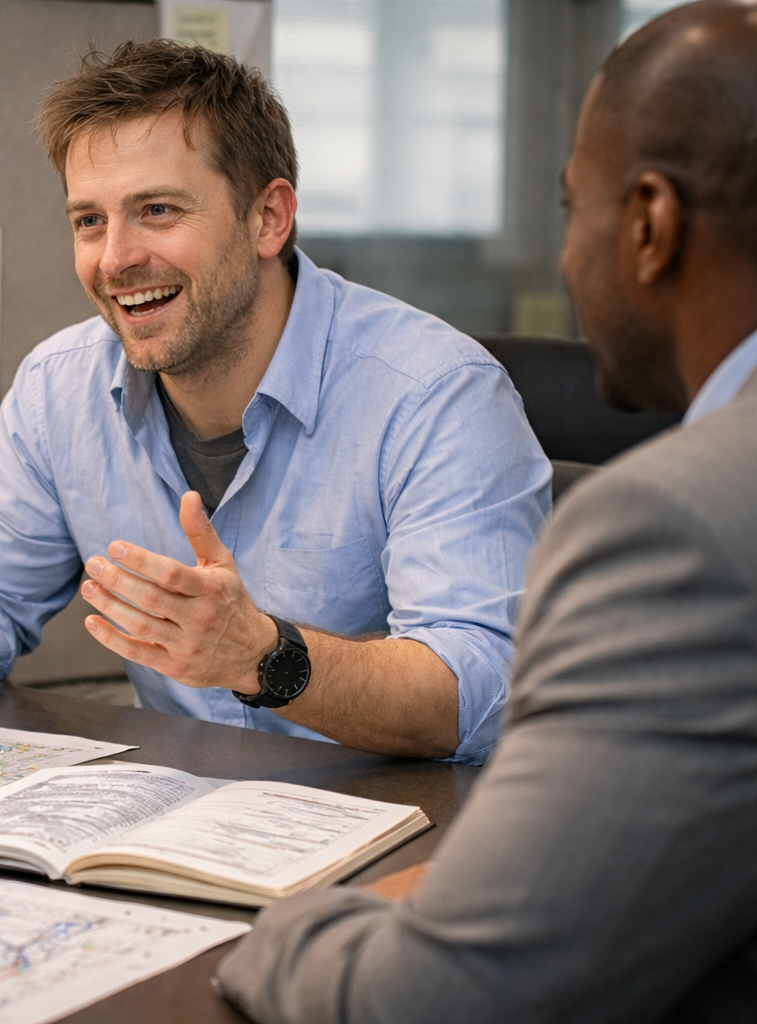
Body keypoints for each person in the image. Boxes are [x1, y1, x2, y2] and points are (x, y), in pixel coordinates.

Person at [212, 3, 757, 1020]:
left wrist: (289, 920)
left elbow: (444, 994)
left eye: (568, 207)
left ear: (647, 224)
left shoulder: (675, 526)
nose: (562, 259)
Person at [0, 41, 550, 764]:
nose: (114, 260)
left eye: (157, 210)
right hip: (183, 820)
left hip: (402, 835)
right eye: (89, 221)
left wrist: (264, 657)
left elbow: (479, 692)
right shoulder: (59, 387)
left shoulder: (434, 393)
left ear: (269, 218)